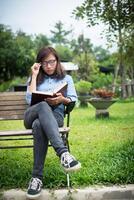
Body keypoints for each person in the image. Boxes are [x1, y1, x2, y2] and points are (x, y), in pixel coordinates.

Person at [24, 46, 81, 199]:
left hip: (55, 117)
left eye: (51, 62)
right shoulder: (35, 77)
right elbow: (30, 100)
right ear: (39, 64)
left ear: (57, 61)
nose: (48, 66)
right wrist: (34, 75)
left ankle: (36, 178)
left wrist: (62, 99)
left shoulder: (67, 79)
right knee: (41, 106)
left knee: (39, 125)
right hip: (32, 115)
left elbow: (73, 101)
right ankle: (64, 154)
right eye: (44, 63)